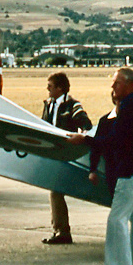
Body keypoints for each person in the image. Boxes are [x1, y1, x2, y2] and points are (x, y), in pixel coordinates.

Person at [69, 68, 133, 265]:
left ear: (128, 86)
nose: (112, 87)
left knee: (116, 220)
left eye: (116, 83)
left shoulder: (128, 110)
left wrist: (85, 140)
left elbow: (114, 141)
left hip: (131, 175)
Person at [41, 72, 92, 244]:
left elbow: (86, 125)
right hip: (54, 154)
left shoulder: (72, 106)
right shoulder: (48, 104)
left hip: (67, 155)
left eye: (50, 86)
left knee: (55, 191)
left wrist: (79, 139)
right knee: (54, 191)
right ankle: (60, 230)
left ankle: (62, 232)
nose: (47, 89)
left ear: (59, 88)